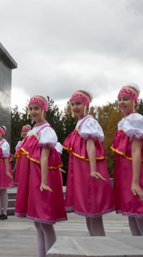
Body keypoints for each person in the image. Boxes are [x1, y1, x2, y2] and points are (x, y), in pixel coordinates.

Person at [15, 96, 66, 257]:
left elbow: (44, 157)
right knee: (38, 223)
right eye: (30, 109)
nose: (33, 112)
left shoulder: (46, 131)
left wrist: (43, 182)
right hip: (32, 178)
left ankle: (51, 254)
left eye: (36, 108)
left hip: (41, 178)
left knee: (45, 223)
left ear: (44, 109)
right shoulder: (33, 131)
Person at [62, 90, 114, 236]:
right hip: (82, 172)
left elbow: (91, 146)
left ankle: (99, 244)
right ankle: (93, 242)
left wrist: (93, 169)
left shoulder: (89, 122)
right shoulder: (81, 123)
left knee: (93, 211)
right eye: (72, 104)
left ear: (86, 105)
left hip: (89, 172)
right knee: (88, 213)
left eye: (78, 104)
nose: (74, 107)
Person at [111, 83, 143, 235]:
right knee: (132, 215)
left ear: (135, 102)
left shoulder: (136, 120)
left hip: (137, 175)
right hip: (127, 175)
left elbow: (136, 151)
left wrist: (136, 182)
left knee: (141, 216)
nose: (121, 102)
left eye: (125, 99)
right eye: (119, 99)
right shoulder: (125, 121)